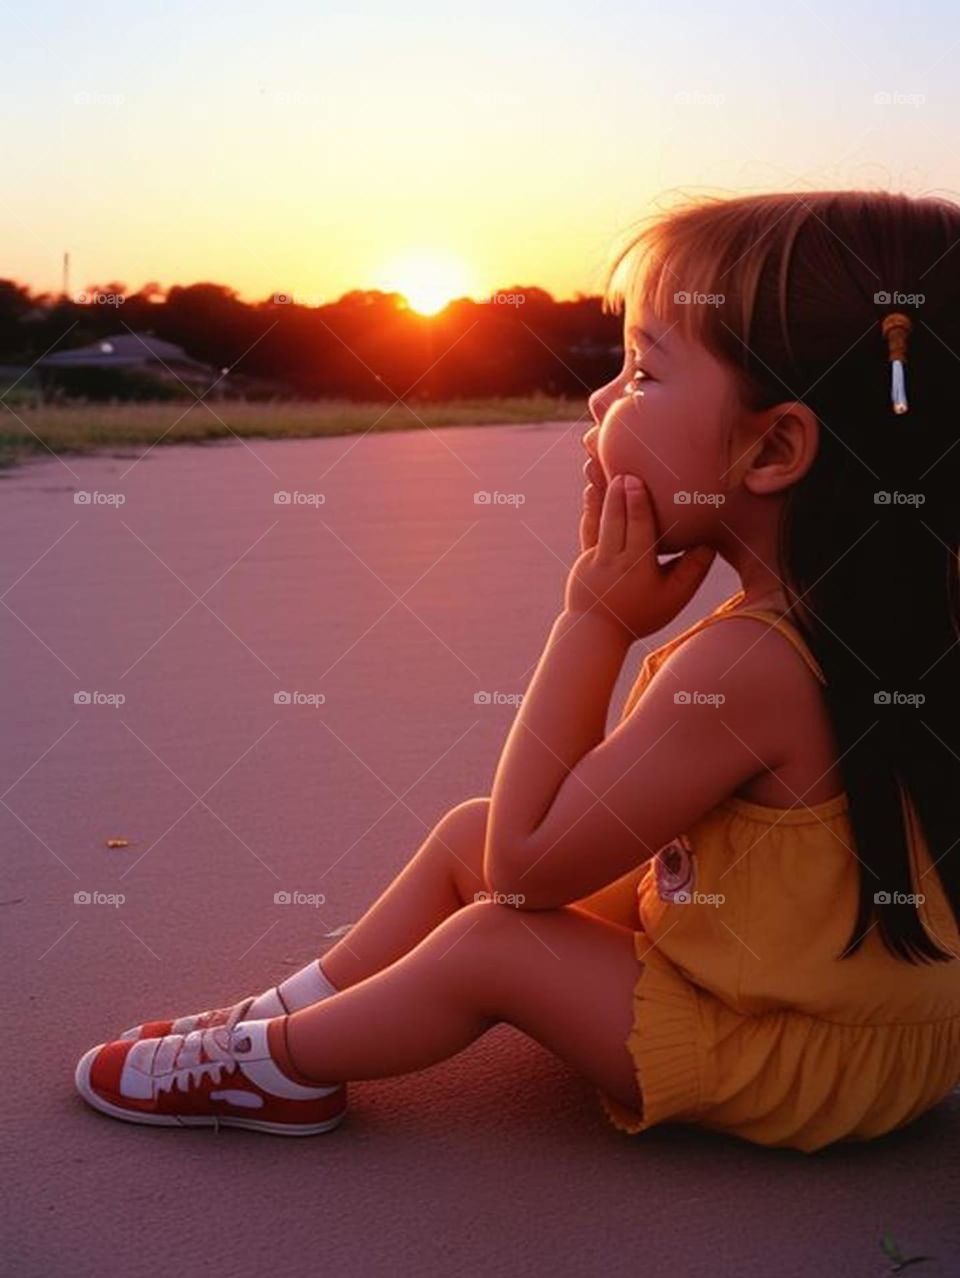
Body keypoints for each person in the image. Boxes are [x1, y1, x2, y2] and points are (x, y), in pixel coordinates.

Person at [75, 190, 960, 1151]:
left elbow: (530, 866)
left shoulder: (751, 664)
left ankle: (278, 1064)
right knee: (468, 834)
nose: (598, 399)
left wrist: (593, 621)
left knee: (497, 936)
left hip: (802, 1064)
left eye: (639, 373)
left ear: (774, 446)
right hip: (879, 1027)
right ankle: (281, 1007)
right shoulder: (903, 613)